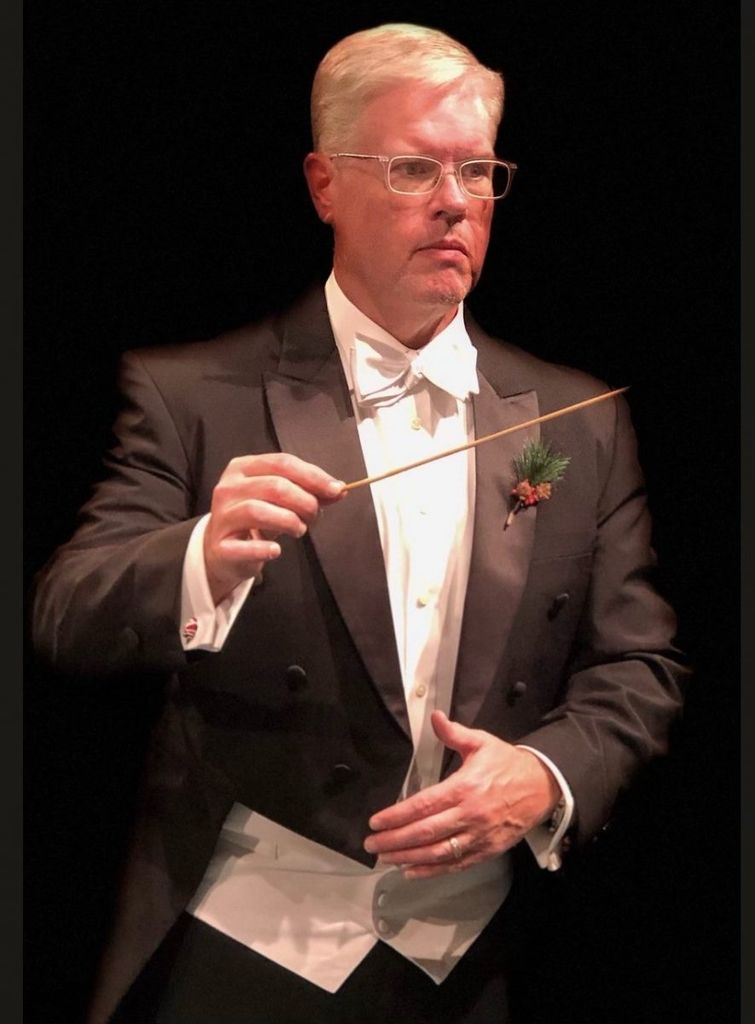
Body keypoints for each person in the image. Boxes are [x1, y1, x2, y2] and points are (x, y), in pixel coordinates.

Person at [32, 22, 689, 1024]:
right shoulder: (191, 394)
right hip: (245, 951)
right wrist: (199, 558)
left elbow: (635, 664)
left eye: (477, 170)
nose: (454, 200)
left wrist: (544, 773)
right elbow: (67, 613)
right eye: (413, 167)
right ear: (323, 184)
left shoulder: (575, 419)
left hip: (471, 963)